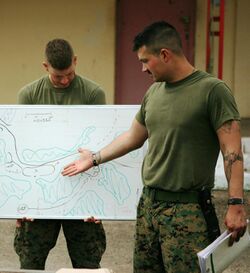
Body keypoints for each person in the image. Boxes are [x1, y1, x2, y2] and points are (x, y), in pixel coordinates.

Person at [62, 21, 247, 273]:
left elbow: (232, 152)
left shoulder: (212, 91)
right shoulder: (154, 93)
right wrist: (94, 158)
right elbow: (133, 137)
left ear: (164, 54)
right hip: (149, 207)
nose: (142, 68)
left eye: (145, 61)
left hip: (187, 211)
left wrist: (236, 204)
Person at [14, 38, 106, 270]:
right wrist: (20, 203)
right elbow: (21, 150)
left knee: (87, 263)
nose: (65, 81)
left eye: (70, 74)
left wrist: (101, 204)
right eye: (58, 76)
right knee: (30, 261)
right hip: (40, 194)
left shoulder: (94, 94)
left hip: (82, 191)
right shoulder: (29, 95)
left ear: (75, 62)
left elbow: (100, 148)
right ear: (45, 67)